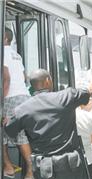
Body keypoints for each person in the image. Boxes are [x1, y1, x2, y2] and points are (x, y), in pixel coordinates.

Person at [4, 69, 92, 179]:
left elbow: (9, 130)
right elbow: (90, 90)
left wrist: (6, 120)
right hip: (71, 167)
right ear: (48, 81)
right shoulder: (66, 96)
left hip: (44, 170)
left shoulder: (22, 109)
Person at [2, 27, 33, 179]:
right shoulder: (16, 55)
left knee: (2, 132)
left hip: (11, 97)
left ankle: (8, 166)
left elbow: (6, 79)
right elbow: (23, 77)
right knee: (21, 135)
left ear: (5, 38)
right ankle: (30, 172)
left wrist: (1, 101)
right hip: (24, 97)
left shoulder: (3, 53)